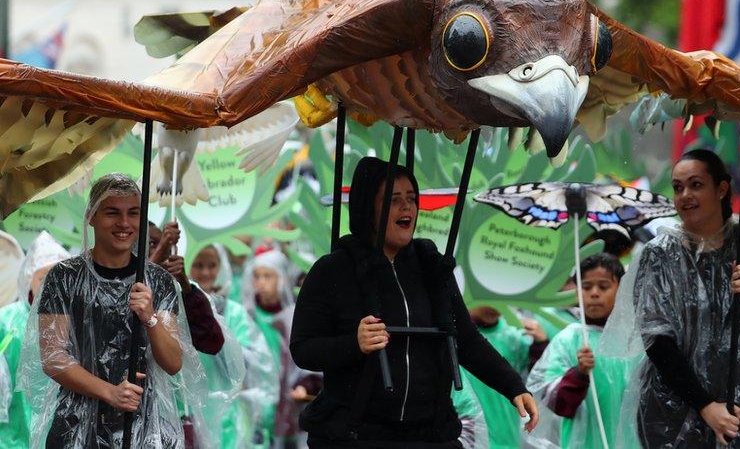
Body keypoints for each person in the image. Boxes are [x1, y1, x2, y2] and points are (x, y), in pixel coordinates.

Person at [290, 156, 539, 447]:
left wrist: (513, 387)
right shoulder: (332, 269)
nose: (407, 207)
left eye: (411, 198)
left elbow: (466, 341)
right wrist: (353, 344)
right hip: (357, 436)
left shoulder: (432, 267)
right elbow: (303, 349)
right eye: (394, 200)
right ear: (367, 208)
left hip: (429, 435)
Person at [602, 148, 740, 448]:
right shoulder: (658, 255)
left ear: (721, 189)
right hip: (674, 410)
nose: (684, 195)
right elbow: (657, 341)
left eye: (696, 185)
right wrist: (706, 406)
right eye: (678, 187)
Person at [18, 172, 208, 448]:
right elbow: (53, 358)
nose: (124, 223)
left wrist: (150, 318)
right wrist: (110, 392)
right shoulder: (64, 278)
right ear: (92, 216)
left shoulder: (158, 281)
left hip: (146, 427)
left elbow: (172, 362)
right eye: (112, 212)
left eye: (133, 213)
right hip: (76, 428)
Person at [527, 252, 637, 448]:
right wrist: (578, 375)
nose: (594, 293)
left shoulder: (636, 340)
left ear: (621, 289)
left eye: (603, 286)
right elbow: (554, 404)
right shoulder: (569, 340)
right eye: (586, 287)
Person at [190, 243, 278, 448]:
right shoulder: (177, 308)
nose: (205, 272)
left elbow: (254, 365)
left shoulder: (234, 312)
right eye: (198, 264)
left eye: (212, 265)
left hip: (227, 416)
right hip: (188, 410)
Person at [0, 231, 69, 448]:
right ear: (29, 279)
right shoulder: (7, 320)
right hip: (12, 438)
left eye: (58, 276)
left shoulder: (75, 325)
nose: (50, 284)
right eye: (43, 277)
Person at [243, 247, 310, 446]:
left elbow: (303, 359)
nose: (261, 283)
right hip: (255, 397)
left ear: (281, 278)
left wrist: (305, 385)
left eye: (268, 276)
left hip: (287, 395)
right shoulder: (248, 315)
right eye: (257, 276)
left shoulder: (293, 316)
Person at [465, 304, 548, 448]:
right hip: (466, 438)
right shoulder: (451, 336)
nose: (493, 305)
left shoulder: (518, 336)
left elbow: (539, 384)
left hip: (508, 438)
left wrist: (540, 347)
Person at [148, 220, 225, 355]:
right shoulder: (114, 285)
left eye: (168, 244)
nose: (165, 249)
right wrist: (155, 260)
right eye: (152, 244)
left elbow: (211, 342)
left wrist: (184, 284)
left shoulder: (179, 290)